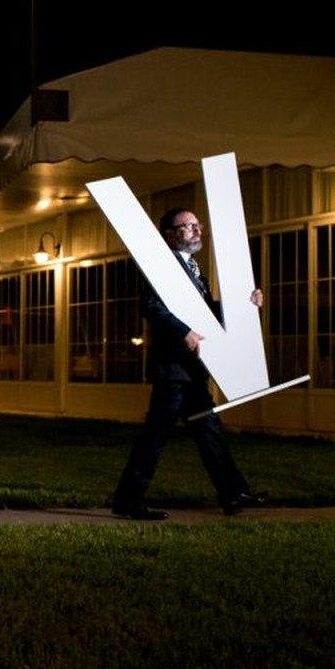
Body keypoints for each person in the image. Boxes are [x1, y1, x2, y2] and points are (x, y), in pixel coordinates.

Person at [111, 207, 268, 520]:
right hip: (172, 370)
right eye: (187, 227)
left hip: (192, 371)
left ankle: (233, 493)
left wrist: (243, 305)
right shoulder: (162, 266)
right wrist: (184, 332)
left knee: (209, 431)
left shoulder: (194, 269)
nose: (197, 231)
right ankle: (128, 501)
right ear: (170, 234)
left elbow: (206, 311)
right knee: (155, 435)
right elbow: (151, 307)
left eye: (198, 225)